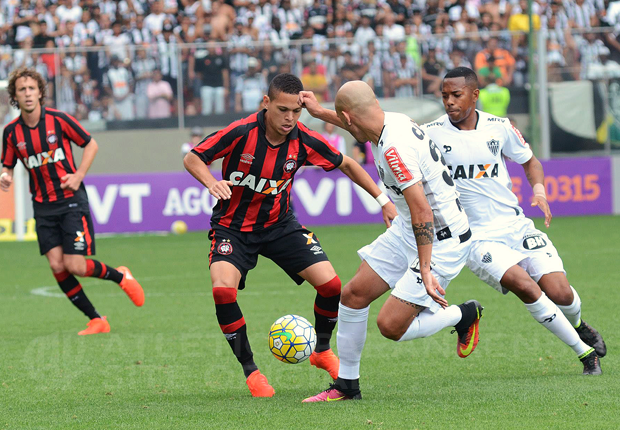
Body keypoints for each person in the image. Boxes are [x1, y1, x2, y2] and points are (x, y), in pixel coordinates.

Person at [183, 73, 397, 398]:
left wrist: (383, 201)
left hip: (281, 226)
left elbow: (349, 164)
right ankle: (252, 372)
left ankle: (322, 350)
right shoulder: (241, 133)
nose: (289, 118)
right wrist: (210, 181)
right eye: (283, 109)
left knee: (332, 286)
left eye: (296, 111)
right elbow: (193, 157)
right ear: (266, 103)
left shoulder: (304, 140)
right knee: (223, 291)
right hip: (232, 228)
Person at [299, 81, 483, 402]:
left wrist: (424, 269)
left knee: (391, 326)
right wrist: (319, 113)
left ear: (351, 117)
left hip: (440, 239)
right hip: (406, 229)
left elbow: (422, 210)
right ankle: (346, 386)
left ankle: (463, 314)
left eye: (344, 120)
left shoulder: (393, 148)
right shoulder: (386, 119)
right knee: (353, 295)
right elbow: (352, 120)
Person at [423, 67, 604, 375]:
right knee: (525, 286)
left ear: (475, 94)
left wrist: (539, 192)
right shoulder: (431, 133)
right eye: (444, 96)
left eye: (456, 95)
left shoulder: (499, 126)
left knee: (560, 292)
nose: (449, 102)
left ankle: (578, 324)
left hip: (515, 225)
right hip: (475, 237)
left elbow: (529, 161)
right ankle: (585, 354)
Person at [0, 68, 144, 335]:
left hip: (70, 201)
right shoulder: (11, 132)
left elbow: (91, 144)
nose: (28, 93)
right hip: (42, 206)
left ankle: (122, 276)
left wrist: (79, 175)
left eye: (32, 88)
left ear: (40, 92)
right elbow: (6, 166)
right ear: (15, 96)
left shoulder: (58, 120)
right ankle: (96, 319)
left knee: (75, 265)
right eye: (22, 89)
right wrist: (5, 177)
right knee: (57, 265)